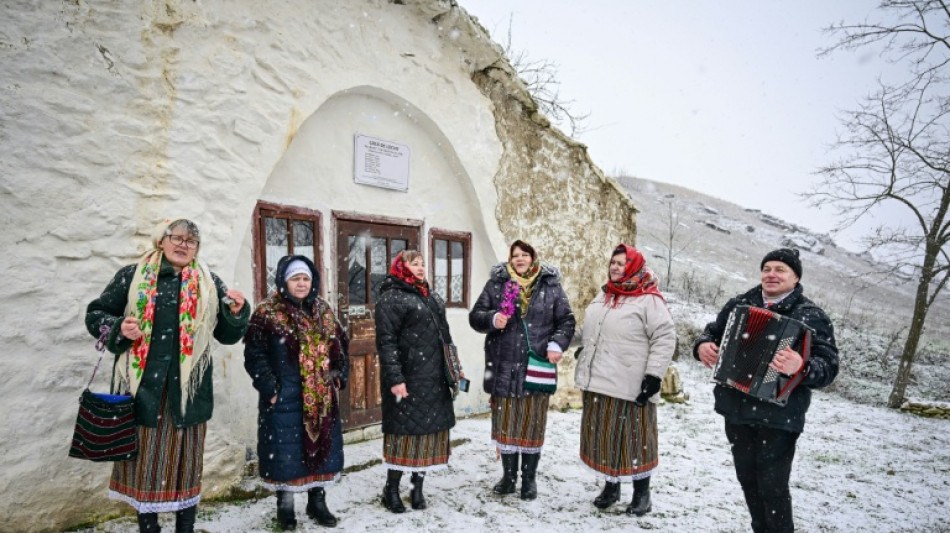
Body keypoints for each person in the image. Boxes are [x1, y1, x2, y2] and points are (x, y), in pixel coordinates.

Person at [85, 218, 250, 533]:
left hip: (187, 392)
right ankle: (149, 526)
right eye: (177, 237)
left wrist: (237, 313)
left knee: (186, 465)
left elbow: (226, 335)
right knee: (146, 463)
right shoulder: (132, 277)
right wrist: (119, 326)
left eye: (192, 240)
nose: (184, 244)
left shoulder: (209, 282)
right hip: (143, 389)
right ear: (161, 241)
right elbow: (96, 315)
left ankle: (184, 527)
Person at [693, 248, 839, 533]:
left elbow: (829, 367)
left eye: (781, 270)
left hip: (779, 415)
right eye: (767, 268)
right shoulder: (740, 304)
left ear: (795, 277)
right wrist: (701, 346)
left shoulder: (811, 315)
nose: (772, 274)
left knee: (772, 487)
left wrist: (802, 365)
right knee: (747, 479)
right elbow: (712, 332)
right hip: (736, 409)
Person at [243, 255, 349, 530]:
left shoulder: (323, 311)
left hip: (322, 399)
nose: (301, 284)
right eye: (295, 278)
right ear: (284, 281)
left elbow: (340, 345)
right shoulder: (267, 312)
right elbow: (254, 355)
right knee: (286, 455)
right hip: (285, 397)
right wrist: (271, 388)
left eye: (306, 278)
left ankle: (317, 502)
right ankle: (286, 509)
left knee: (322, 453)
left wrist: (338, 374)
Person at [468, 240, 575, 501]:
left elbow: (566, 320)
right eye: (515, 255)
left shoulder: (550, 286)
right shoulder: (497, 284)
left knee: (531, 426)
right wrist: (493, 318)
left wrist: (556, 343)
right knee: (506, 426)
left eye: (524, 254)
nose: (519, 259)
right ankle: (508, 478)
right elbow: (475, 316)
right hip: (503, 365)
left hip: (535, 365)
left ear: (532, 257)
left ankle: (529, 480)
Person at [574, 244, 675, 516]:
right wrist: (564, 339)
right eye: (613, 262)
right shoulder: (605, 295)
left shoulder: (648, 299)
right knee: (605, 438)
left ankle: (642, 494)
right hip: (599, 380)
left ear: (634, 267)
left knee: (635, 440)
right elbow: (587, 330)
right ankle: (611, 487)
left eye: (621, 263)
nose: (615, 267)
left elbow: (664, 338)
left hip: (632, 385)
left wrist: (654, 376)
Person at [374, 250, 459, 513]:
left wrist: (455, 368)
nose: (420, 268)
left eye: (423, 263)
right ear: (401, 267)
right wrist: (395, 378)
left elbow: (445, 336)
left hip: (433, 378)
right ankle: (391, 489)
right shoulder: (390, 298)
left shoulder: (431, 296)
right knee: (403, 436)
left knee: (428, 436)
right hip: (407, 379)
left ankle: (417, 489)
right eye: (414, 264)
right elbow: (386, 344)